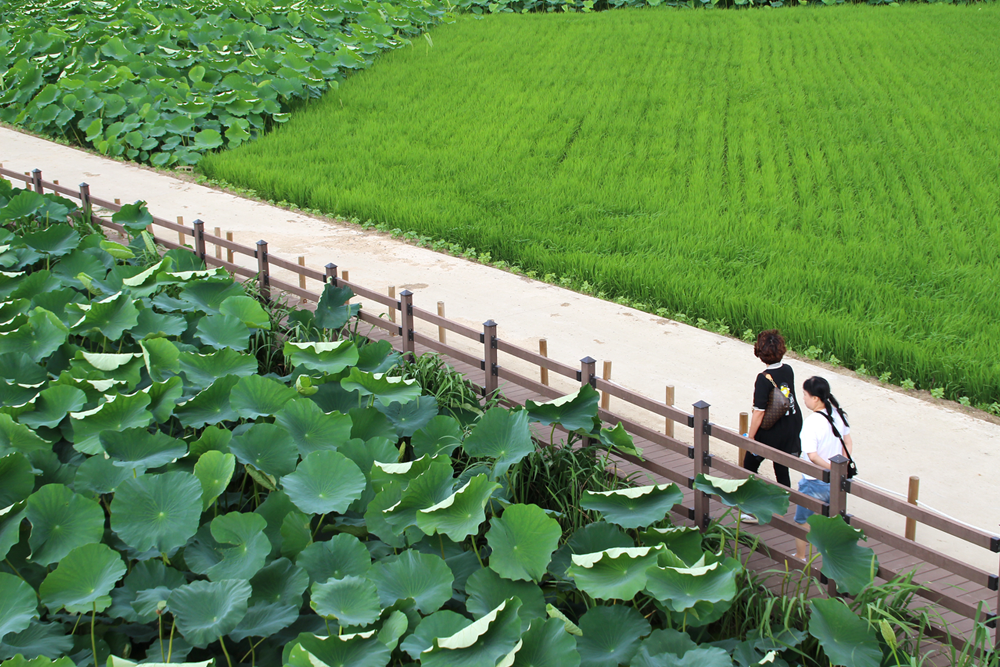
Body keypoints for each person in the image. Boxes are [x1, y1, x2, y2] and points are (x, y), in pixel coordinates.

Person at [743, 330, 802, 524]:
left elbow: (759, 412)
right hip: (791, 425)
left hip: (772, 431)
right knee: (781, 467)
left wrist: (750, 438)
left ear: (760, 353)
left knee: (749, 465)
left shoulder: (763, 378)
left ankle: (751, 510)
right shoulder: (788, 370)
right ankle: (782, 507)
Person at [793, 376, 853, 561]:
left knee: (802, 521)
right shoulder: (838, 414)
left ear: (815, 398)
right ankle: (831, 557)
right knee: (831, 520)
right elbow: (848, 442)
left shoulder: (812, 422)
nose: (803, 398)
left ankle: (801, 556)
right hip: (836, 483)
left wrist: (830, 470)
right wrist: (839, 467)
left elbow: (812, 456)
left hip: (814, 481)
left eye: (805, 394)